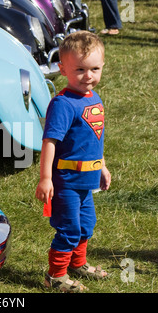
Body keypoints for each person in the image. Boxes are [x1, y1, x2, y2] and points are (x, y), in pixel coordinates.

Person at [35, 31, 111, 292]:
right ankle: (55, 277)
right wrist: (46, 179)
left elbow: (92, 140)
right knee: (68, 229)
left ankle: (77, 265)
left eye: (94, 69)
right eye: (79, 69)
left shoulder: (94, 98)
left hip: (86, 182)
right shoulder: (63, 104)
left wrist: (101, 166)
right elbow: (50, 143)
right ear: (62, 69)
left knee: (86, 226)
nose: (88, 75)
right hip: (66, 183)